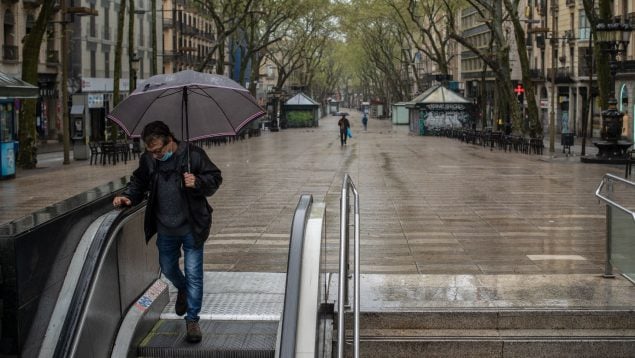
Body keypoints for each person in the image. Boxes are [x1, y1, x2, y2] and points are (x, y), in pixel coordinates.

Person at [112, 121, 222, 343]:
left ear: (170, 141)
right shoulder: (149, 161)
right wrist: (128, 196)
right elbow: (138, 182)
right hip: (165, 228)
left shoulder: (193, 155)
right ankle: (182, 288)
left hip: (192, 227)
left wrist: (198, 181)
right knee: (168, 267)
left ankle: (192, 320)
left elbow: (215, 178)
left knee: (194, 274)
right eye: (151, 152)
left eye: (158, 151)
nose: (155, 155)